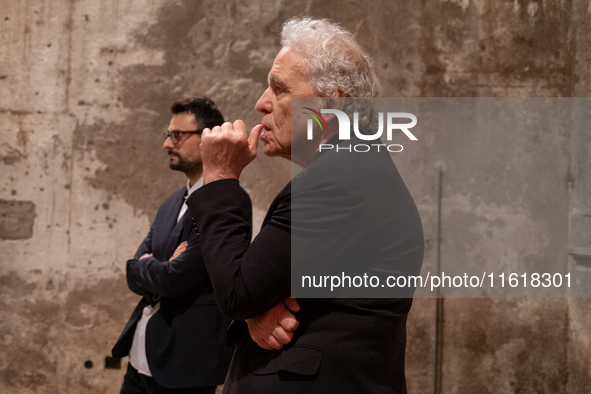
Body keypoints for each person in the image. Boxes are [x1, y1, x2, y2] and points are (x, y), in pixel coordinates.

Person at [187, 18, 424, 393]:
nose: (261, 103)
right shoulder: (352, 168)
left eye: (279, 89)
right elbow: (258, 289)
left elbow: (237, 291)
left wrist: (219, 178)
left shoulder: (337, 181)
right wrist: (255, 311)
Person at [112, 98, 244, 394]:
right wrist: (154, 266)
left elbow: (177, 279)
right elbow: (133, 269)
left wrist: (153, 266)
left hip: (185, 364)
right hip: (141, 358)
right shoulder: (170, 203)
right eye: (168, 135)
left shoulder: (225, 201)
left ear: (206, 138)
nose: (167, 144)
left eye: (177, 135)